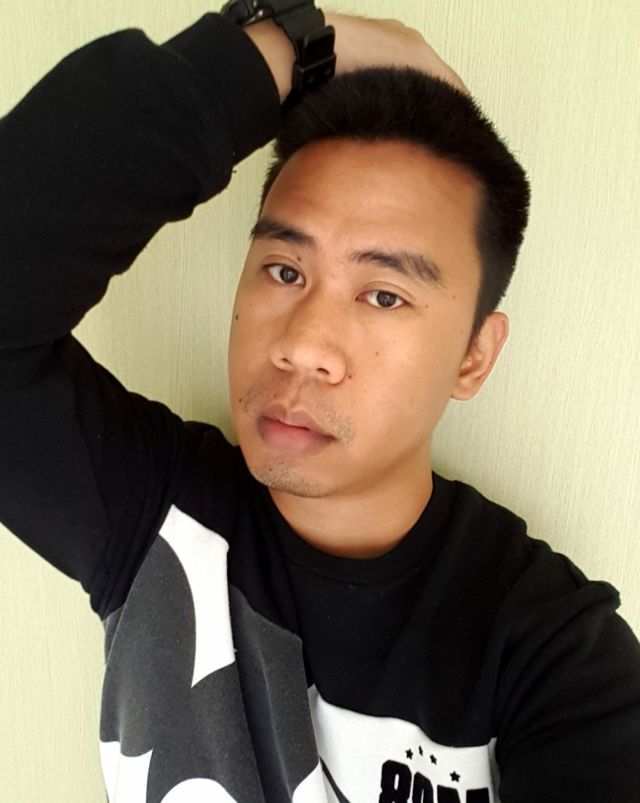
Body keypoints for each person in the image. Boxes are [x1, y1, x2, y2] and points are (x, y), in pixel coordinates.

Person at [1, 3, 639, 802]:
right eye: (285, 271)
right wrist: (285, 44)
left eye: (383, 294)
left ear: (473, 356)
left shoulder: (555, 656)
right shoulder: (156, 515)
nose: (303, 346)